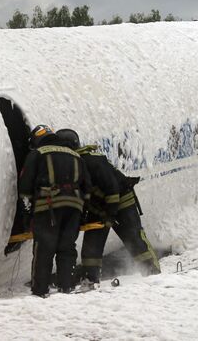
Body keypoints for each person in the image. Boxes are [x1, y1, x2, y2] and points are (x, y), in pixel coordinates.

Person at [56, 129, 160, 285]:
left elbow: (112, 188)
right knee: (91, 247)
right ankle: (90, 280)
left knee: (134, 239)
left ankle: (153, 274)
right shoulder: (73, 164)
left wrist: (110, 214)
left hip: (122, 201)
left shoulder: (91, 161)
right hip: (100, 207)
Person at [18, 125, 91, 297]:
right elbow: (87, 187)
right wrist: (82, 211)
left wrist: (27, 213)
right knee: (66, 247)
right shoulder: (76, 155)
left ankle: (40, 291)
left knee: (44, 248)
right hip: (74, 207)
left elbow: (25, 185)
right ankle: (67, 288)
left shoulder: (37, 154)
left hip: (48, 207)